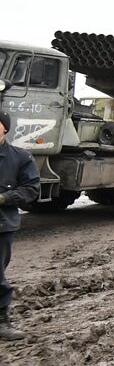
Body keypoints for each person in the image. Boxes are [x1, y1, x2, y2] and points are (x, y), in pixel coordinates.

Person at [0, 108, 41, 341]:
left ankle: (2, 321)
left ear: (5, 127)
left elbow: (31, 189)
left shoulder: (20, 158)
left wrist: (4, 198)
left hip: (2, 224)